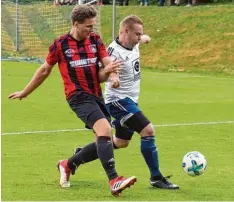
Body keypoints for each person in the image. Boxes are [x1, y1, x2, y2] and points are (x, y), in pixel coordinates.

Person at [8, 4, 136, 196]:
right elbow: (44, 70)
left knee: (104, 140)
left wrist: (114, 76)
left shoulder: (95, 40)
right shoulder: (60, 45)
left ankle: (67, 164)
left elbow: (107, 63)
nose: (92, 29)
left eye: (93, 25)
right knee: (106, 131)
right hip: (77, 97)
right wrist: (25, 92)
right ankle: (114, 180)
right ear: (76, 24)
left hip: (96, 95)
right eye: (88, 26)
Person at [74, 15, 179, 189]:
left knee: (121, 142)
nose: (139, 37)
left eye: (140, 34)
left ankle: (79, 156)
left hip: (131, 101)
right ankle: (156, 177)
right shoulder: (113, 52)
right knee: (148, 130)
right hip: (117, 100)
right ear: (125, 31)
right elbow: (101, 72)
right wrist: (113, 78)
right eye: (137, 34)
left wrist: (145, 38)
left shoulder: (133, 42)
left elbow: (142, 40)